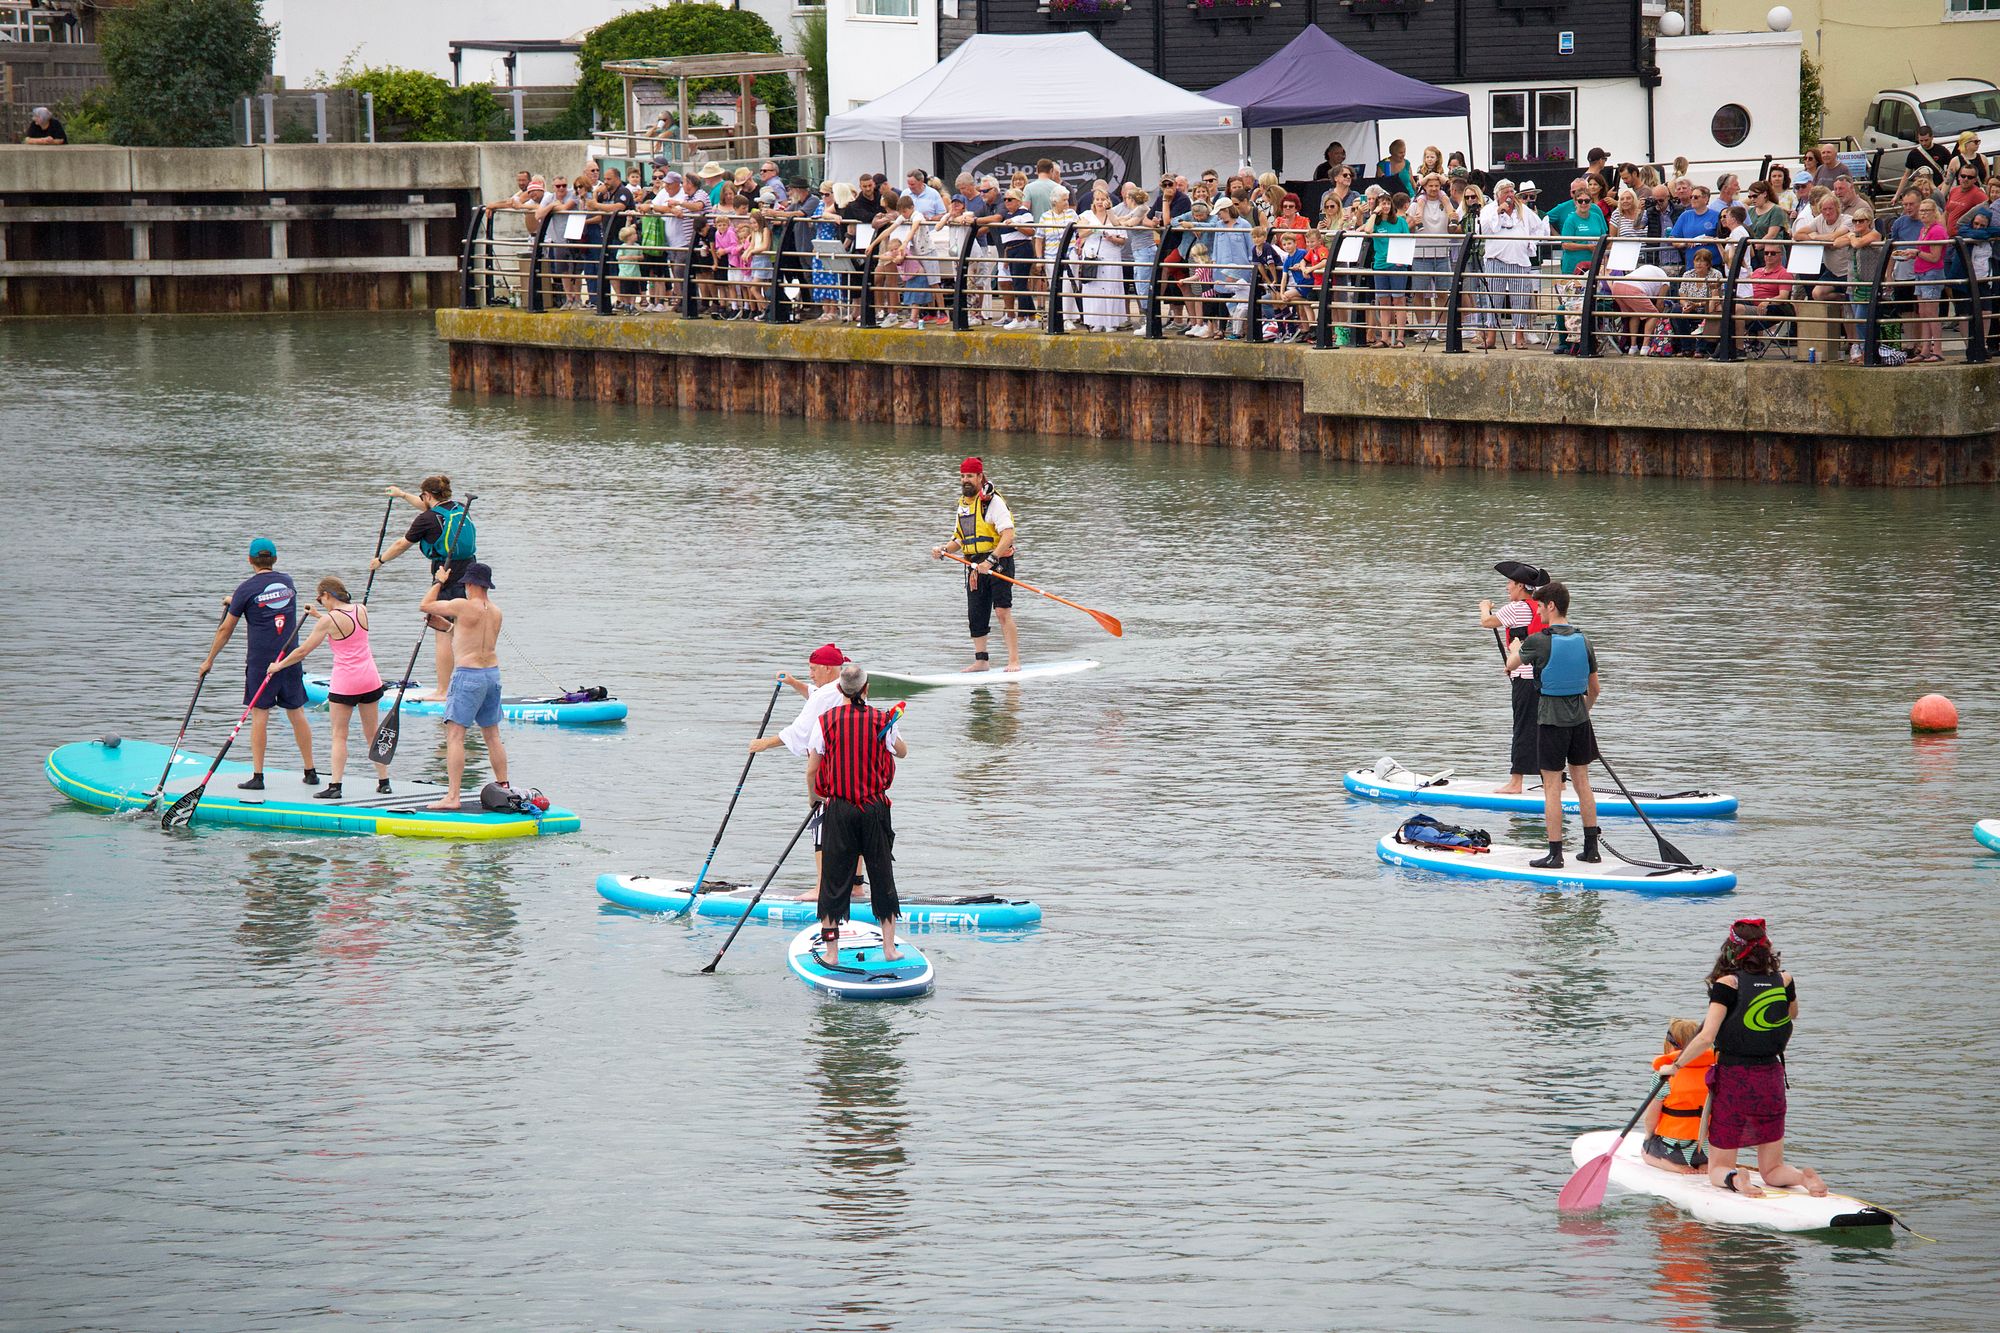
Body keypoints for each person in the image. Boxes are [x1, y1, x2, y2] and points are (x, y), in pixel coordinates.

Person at [1661, 919, 1828, 1199]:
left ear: (1730, 950)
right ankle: (1804, 1177)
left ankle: (1736, 1179)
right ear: (1766, 948)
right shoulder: (1784, 979)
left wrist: (1675, 1066)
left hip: (1735, 1079)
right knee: (1772, 1169)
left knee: (1718, 1166)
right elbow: (1791, 1014)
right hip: (1772, 1078)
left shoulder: (1727, 984)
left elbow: (1706, 1037)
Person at [805, 662, 908, 966]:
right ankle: (889, 949)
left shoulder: (826, 721)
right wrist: (892, 736)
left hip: (838, 808)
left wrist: (815, 799)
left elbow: (812, 769)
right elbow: (902, 752)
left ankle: (832, 953)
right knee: (881, 875)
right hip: (875, 809)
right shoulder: (883, 720)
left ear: (840, 689)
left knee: (834, 881)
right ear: (866, 689)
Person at [196, 538, 319, 791]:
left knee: (260, 715)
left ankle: (258, 776)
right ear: (274, 559)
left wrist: (209, 660)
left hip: (261, 663)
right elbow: (266, 600)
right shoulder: (288, 582)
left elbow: (225, 629)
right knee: (296, 712)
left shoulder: (246, 589)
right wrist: (237, 601)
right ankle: (310, 771)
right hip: (289, 659)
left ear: (250, 559)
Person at [750, 643, 863, 899]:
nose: (810, 674)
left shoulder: (824, 696)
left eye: (812, 669)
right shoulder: (849, 687)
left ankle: (822, 887)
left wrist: (764, 744)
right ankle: (856, 885)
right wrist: (793, 683)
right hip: (855, 770)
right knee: (855, 824)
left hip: (829, 770)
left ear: (826, 668)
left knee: (822, 825)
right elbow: (817, 695)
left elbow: (800, 731)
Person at [263, 577, 392, 799]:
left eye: (319, 598)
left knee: (339, 736)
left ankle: (335, 787)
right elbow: (345, 627)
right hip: (371, 680)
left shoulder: (328, 621)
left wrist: (278, 666)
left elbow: (303, 651)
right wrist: (318, 616)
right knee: (372, 734)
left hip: (346, 683)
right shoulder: (362, 609)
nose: (320, 602)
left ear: (328, 595)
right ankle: (384, 782)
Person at [1504, 581, 1600, 868]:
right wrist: (1581, 713)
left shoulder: (1539, 640)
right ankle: (1591, 850)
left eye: (1540, 606)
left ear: (1551, 606)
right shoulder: (1584, 640)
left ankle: (1555, 854)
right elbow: (1594, 689)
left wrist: (1515, 646)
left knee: (1552, 788)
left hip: (1550, 722)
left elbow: (1511, 665)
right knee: (1583, 783)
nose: (1538, 611)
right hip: (1581, 722)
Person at [371, 476, 476, 700]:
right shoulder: (458, 507)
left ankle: (443, 691)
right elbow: (427, 508)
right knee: (462, 629)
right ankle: (467, 686)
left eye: (422, 497)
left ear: (428, 495)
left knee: (442, 632)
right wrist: (402, 495)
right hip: (470, 570)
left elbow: (402, 544)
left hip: (445, 573)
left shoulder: (426, 519)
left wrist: (380, 561)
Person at [418, 562, 508, 811]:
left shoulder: (462, 605)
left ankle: (453, 796)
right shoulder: (497, 612)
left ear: (469, 584)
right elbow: (472, 636)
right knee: (493, 735)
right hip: (492, 674)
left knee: (455, 736)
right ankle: (504, 787)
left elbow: (424, 605)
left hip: (468, 675)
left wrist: (438, 581)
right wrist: (446, 627)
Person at [930, 456, 1019, 672]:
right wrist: (943, 549)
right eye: (962, 476)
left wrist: (990, 560)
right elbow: (960, 539)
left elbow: (1008, 535)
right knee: (976, 613)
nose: (965, 480)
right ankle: (981, 661)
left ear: (980, 476)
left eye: (969, 476)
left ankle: (1014, 660)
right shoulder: (963, 505)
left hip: (998, 562)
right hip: (973, 567)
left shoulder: (993, 501)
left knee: (1001, 611)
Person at [1478, 561, 1548, 795]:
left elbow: (1487, 622)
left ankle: (1515, 782)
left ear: (1520, 585)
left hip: (1525, 679)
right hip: (1542, 676)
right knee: (1543, 727)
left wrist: (1484, 606)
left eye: (1509, 583)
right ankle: (1557, 780)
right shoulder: (1538, 607)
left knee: (1521, 727)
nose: (1507, 587)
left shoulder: (1516, 607)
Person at [1640, 1018, 1714, 1175]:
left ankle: (1674, 1167)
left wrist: (1649, 1136)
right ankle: (1703, 1165)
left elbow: (1651, 1118)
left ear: (1671, 1045)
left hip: (1675, 1150)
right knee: (1704, 1149)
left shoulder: (1664, 1076)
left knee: (1645, 1151)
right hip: (1709, 1149)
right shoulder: (1714, 1073)